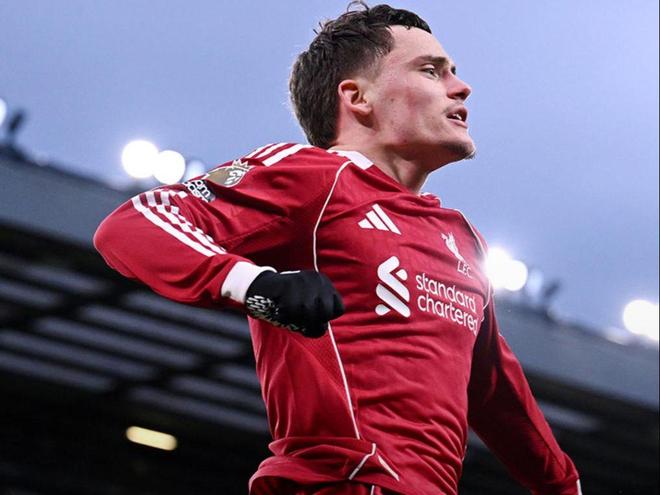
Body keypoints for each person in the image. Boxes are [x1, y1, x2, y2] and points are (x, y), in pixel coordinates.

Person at [94, 3, 582, 494]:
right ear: (357, 97)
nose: (461, 87)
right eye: (431, 71)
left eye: (453, 71)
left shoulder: (462, 240)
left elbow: (495, 390)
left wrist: (565, 487)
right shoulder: (316, 176)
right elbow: (135, 224)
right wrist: (257, 284)